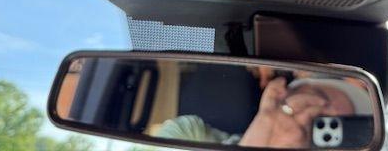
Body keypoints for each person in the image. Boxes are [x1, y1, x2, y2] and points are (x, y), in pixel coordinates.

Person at [152, 72, 371, 149]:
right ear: (279, 93)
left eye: (341, 126)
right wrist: (263, 132)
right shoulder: (188, 134)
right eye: (318, 101)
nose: (325, 125)